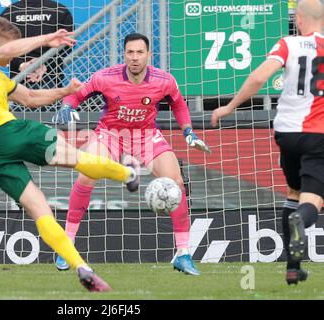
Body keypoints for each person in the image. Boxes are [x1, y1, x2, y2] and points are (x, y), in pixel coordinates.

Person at [0, 16, 139, 292]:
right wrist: (46, 40)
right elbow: (7, 52)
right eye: (12, 46)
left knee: (39, 207)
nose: (15, 54)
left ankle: (81, 266)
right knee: (74, 157)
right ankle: (128, 173)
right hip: (4, 132)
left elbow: (30, 98)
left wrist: (65, 91)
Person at [52, 33, 211, 275]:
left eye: (139, 53)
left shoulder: (164, 80)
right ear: (124, 54)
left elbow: (179, 104)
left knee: (176, 183)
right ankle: (66, 246)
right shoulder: (105, 77)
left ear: (149, 55)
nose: (135, 58)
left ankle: (183, 253)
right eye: (130, 52)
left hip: (146, 136)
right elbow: (77, 93)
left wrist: (188, 131)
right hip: (111, 134)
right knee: (86, 174)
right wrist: (67, 106)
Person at [211, 0, 323, 285]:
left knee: (293, 191)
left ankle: (292, 267)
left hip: (286, 133)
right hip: (318, 134)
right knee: (311, 202)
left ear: (298, 19)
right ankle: (302, 220)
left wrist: (230, 107)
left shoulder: (288, 44)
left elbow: (259, 76)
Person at [0, 0, 74, 88]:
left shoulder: (9, 12)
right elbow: (67, 44)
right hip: (50, 78)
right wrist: (43, 65)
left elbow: (1, 48)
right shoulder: (60, 10)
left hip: (19, 80)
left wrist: (22, 65)